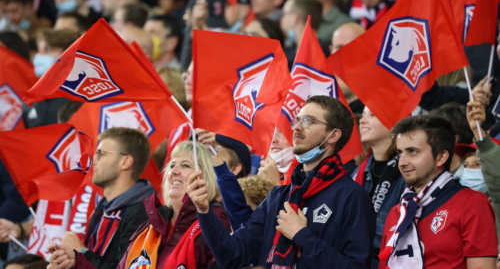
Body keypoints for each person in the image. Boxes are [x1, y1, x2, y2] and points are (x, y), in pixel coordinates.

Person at [187, 95, 376, 268]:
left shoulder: (352, 197)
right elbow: (233, 255)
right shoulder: (280, 196)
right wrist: (204, 211)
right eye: (297, 120)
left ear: (333, 135)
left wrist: (302, 235)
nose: (297, 127)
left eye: (309, 121)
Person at [49, 141, 231, 269]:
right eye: (172, 165)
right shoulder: (150, 226)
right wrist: (77, 261)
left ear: (204, 177)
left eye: (185, 165)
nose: (174, 171)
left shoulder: (218, 222)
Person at [379, 115, 497, 269]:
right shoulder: (397, 213)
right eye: (400, 153)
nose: (402, 162)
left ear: (441, 157)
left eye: (413, 151)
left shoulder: (472, 203)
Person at [46, 127, 156, 269]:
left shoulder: (143, 212)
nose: (94, 161)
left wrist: (82, 252)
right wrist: (69, 261)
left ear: (125, 162)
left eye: (101, 154)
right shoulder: (103, 208)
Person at [352, 107, 406, 269]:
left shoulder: (407, 172)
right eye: (362, 115)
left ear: (394, 124)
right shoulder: (358, 172)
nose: (362, 121)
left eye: (373, 115)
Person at [467, 101, 500, 244]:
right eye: (466, 165)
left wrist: (479, 134)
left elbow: (496, 182)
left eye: (479, 164)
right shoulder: (471, 207)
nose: (469, 171)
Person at [429, 102, 475, 179]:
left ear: (453, 139)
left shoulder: (472, 181)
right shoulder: (423, 176)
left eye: (433, 135)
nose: (428, 140)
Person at [280, 0, 325, 67]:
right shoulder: (288, 51)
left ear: (295, 17)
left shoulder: (323, 51)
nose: (282, 19)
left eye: (284, 14)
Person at [330, 22, 366, 113]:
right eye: (339, 47)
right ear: (331, 50)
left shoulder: (377, 108)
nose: (344, 52)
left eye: (351, 47)